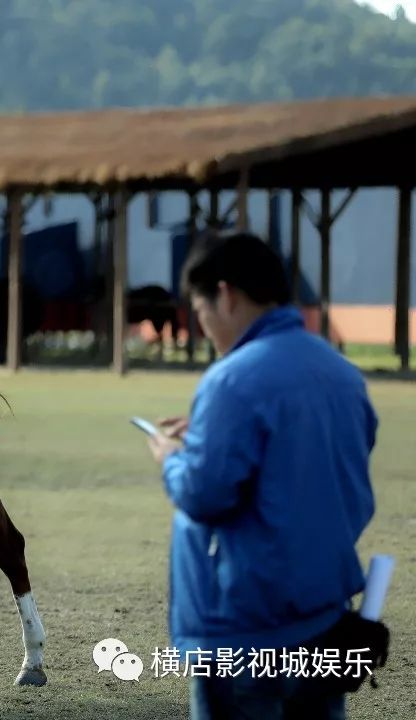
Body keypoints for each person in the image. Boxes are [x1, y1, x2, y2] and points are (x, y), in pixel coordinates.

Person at [145, 232, 377, 720]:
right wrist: (212, 431)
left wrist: (171, 458)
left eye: (201, 311)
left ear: (225, 295)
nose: (204, 327)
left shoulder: (232, 379)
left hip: (246, 630)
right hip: (324, 618)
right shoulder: (343, 374)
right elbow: (319, 467)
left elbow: (204, 493)